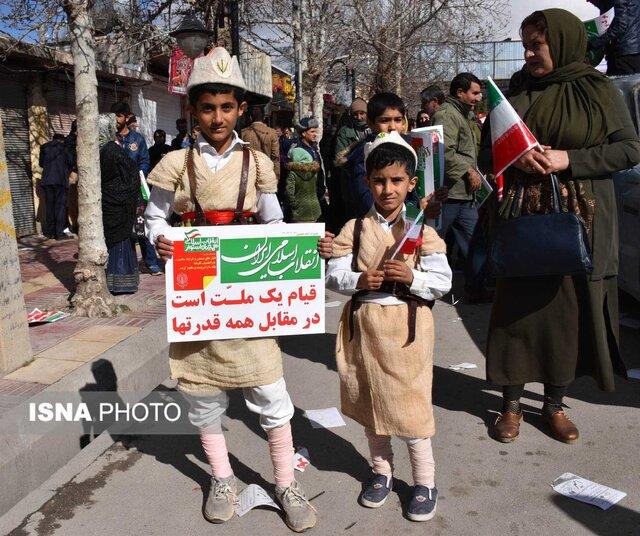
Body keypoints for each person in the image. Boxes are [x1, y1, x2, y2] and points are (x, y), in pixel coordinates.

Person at [144, 46, 317, 532]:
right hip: (198, 293)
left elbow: (275, 221)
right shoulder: (176, 164)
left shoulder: (257, 163)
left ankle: (285, 480)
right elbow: (156, 215)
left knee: (268, 385)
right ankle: (221, 477)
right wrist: (159, 239)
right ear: (193, 110)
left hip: (248, 296)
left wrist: (302, 251)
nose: (217, 117)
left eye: (226, 107)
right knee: (201, 392)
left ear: (241, 109)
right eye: (207, 107)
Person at [478, 9, 640, 444]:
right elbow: (486, 153)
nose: (529, 53)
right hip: (521, 222)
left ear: (564, 42)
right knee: (516, 312)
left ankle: (553, 405)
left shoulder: (597, 89)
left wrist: (571, 159)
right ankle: (510, 404)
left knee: (566, 315)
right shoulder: (516, 91)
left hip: (579, 224)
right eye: (526, 44)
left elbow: (628, 149)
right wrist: (513, 156)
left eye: (538, 45)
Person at [325, 131, 452, 522]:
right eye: (379, 181)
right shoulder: (355, 228)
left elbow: (443, 281)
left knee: (411, 407)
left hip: (407, 329)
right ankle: (381, 472)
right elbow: (334, 275)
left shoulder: (421, 230)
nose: (388, 189)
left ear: (411, 184)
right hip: (363, 328)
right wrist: (361, 280)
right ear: (368, 183)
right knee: (371, 403)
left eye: (397, 181)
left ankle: (425, 481)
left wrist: (412, 279)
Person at [430, 73, 484, 300]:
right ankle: (424, 289)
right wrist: (468, 170)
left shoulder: (465, 116)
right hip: (448, 194)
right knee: (433, 243)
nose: (478, 98)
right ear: (460, 93)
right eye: (474, 92)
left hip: (465, 196)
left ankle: (475, 289)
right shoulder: (447, 115)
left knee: (474, 244)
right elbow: (445, 151)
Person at [110, 101, 161, 275]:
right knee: (122, 229)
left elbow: (145, 161)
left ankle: (151, 262)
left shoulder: (137, 139)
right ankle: (127, 265)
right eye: (113, 115)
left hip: (136, 191)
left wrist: (138, 175)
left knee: (141, 226)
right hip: (115, 193)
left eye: (119, 115)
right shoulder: (109, 138)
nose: (116, 119)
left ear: (127, 118)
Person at [98, 114, 140, 294]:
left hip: (111, 202)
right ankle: (121, 282)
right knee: (120, 240)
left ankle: (118, 282)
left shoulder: (103, 150)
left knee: (116, 240)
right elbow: (131, 171)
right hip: (118, 203)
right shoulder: (110, 149)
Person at [288, 117, 327, 222]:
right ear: (303, 133)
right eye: (312, 131)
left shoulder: (313, 147)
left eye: (316, 131)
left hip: (316, 195)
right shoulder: (297, 150)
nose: (315, 134)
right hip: (304, 200)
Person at [587, 0, 640, 75]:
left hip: (622, 54)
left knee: (618, 84)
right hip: (633, 51)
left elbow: (620, 26)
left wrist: (593, 44)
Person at [39, 133, 72, 240]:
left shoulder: (44, 147)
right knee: (60, 207)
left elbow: (41, 164)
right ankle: (59, 233)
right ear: (61, 140)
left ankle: (50, 233)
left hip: (47, 181)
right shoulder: (64, 148)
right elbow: (70, 162)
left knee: (49, 206)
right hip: (60, 181)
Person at [241, 106, 281, 180]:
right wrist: (276, 177)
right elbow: (275, 157)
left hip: (248, 174)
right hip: (266, 174)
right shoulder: (272, 133)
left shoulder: (243, 133)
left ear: (250, 118)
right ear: (264, 118)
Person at [285, 147, 322, 223]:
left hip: (299, 211)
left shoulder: (293, 174)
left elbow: (289, 192)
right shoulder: (314, 172)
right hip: (314, 210)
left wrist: (294, 205)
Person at [65, 121, 79, 233]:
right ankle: (75, 224)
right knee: (75, 199)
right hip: (74, 172)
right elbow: (70, 157)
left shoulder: (68, 139)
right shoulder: (73, 140)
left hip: (72, 171)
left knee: (73, 199)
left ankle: (74, 223)